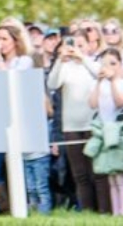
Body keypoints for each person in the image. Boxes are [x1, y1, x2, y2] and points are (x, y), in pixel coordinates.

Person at [0, 24, 36, 214]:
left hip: (21, 121)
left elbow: (11, 85)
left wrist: (0, 68)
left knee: (23, 169)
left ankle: (27, 208)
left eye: (4, 39)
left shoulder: (24, 61)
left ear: (15, 42)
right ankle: (6, 208)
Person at [48, 28, 105, 211]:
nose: (76, 49)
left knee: (96, 171)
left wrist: (83, 58)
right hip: (71, 127)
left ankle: (104, 210)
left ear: (89, 45)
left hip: (93, 125)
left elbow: (100, 75)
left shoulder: (94, 64)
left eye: (81, 45)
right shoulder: (65, 67)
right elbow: (52, 83)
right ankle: (88, 212)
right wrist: (60, 60)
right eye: (73, 45)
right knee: (80, 174)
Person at [87, 47, 123, 214]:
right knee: (110, 174)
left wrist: (114, 79)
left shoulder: (119, 82)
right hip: (105, 132)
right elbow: (93, 104)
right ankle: (116, 213)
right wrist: (99, 82)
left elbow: (119, 102)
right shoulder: (100, 84)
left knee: (121, 174)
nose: (108, 67)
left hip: (119, 132)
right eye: (104, 64)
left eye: (113, 63)